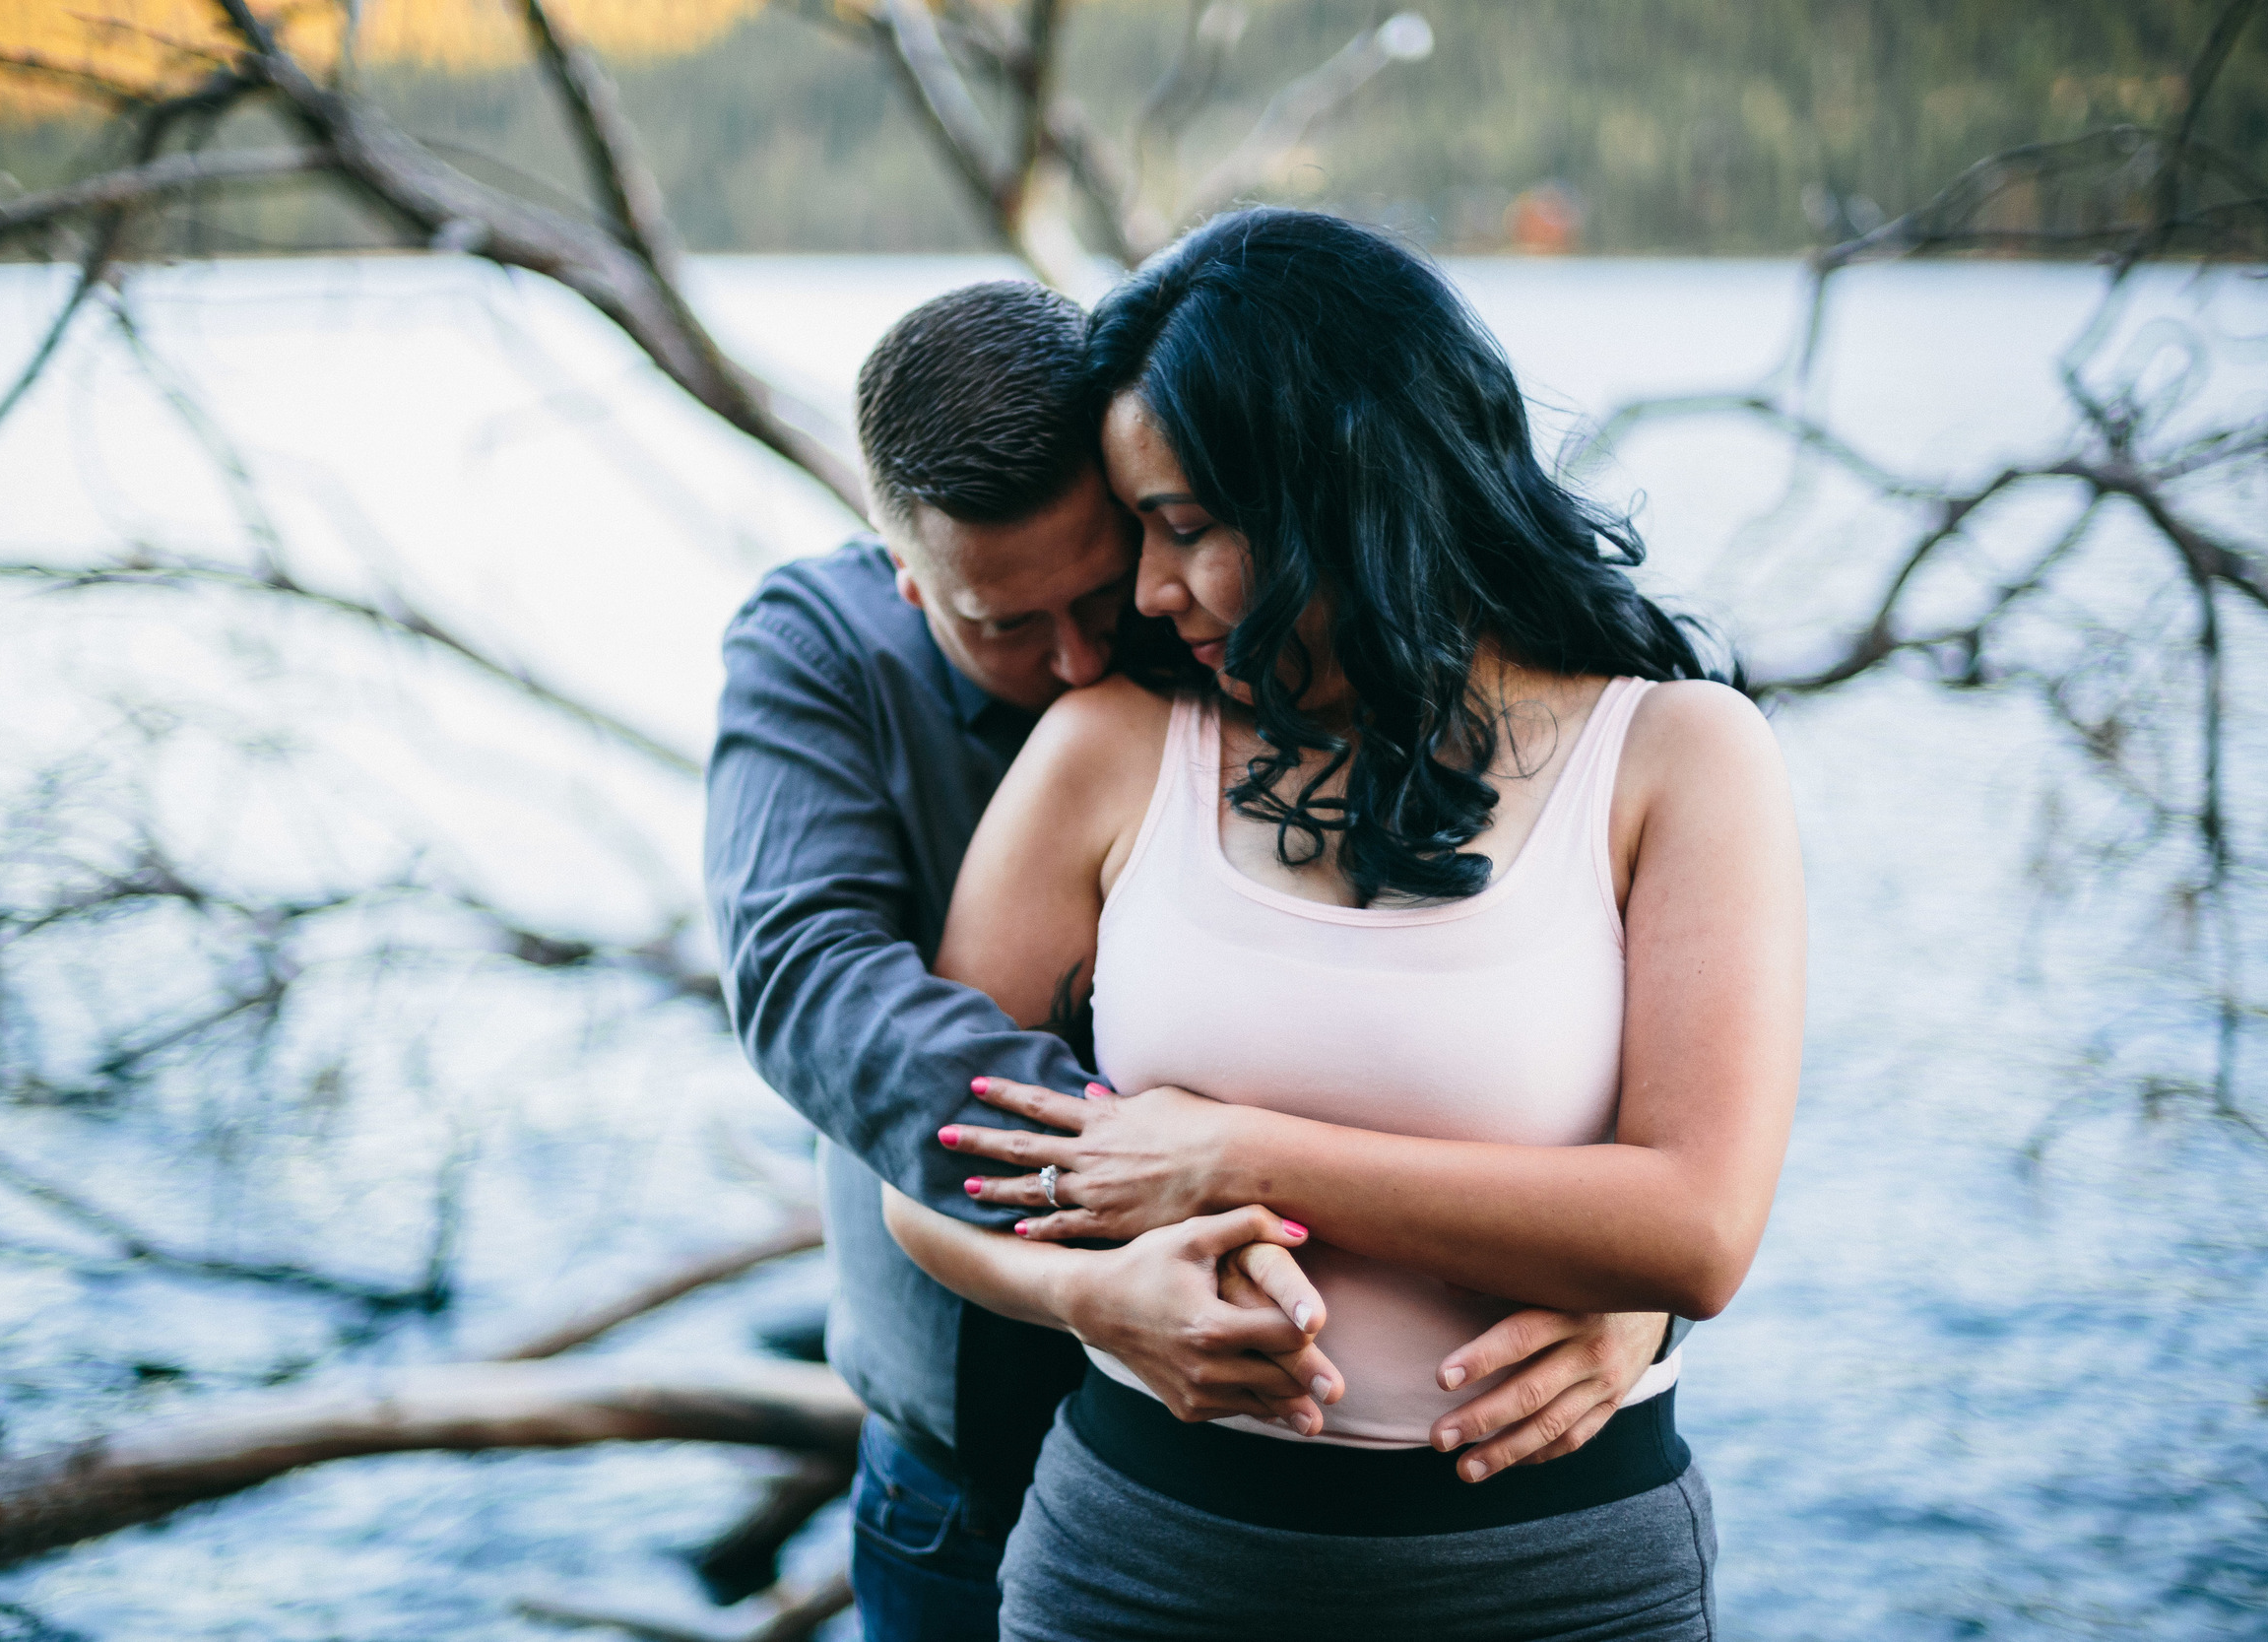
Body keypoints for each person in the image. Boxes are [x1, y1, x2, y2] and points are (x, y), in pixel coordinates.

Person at [704, 280, 1679, 1641]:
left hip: (1339, 1503)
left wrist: (1635, 1281)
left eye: (1108, 590)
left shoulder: (1240, 645)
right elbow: (811, 983)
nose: (1076, 659)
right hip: (976, 1456)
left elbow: (1516, 1015)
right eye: (1000, 626)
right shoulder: (820, 650)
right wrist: (1134, 1172)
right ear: (904, 576)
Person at [883, 210, 1804, 1640]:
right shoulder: (1112, 751)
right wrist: (1102, 1300)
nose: (1146, 590)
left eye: (1186, 528)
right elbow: (924, 1175)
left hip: (1551, 1589)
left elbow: (1692, 1228)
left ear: (1344, 486)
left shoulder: (1678, 757)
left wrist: (1237, 1153)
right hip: (1140, 1573)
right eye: (1141, 532)